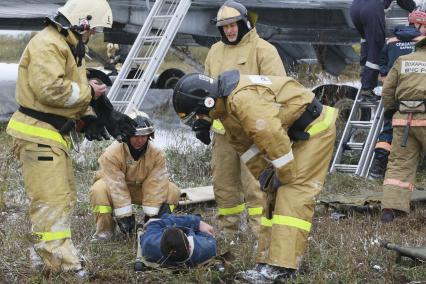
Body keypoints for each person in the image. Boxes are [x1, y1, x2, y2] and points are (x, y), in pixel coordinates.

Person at [173, 71, 337, 282]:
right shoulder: (225, 110)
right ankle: (266, 261)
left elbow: (271, 135)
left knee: (292, 193)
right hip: (290, 136)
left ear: (207, 101)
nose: (198, 122)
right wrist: (266, 176)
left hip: (314, 129)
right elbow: (247, 148)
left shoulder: (242, 100)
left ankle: (282, 268)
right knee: (270, 196)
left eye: (197, 116)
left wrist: (284, 174)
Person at [4, 0, 130, 276]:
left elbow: (63, 91)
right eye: (92, 30)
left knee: (55, 198)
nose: (92, 35)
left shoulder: (66, 46)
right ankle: (64, 264)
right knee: (53, 200)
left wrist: (86, 119)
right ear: (82, 21)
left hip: (48, 134)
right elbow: (50, 90)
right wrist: (90, 94)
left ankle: (43, 259)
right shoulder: (49, 44)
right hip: (38, 134)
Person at [200, 0, 286, 236]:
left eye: (233, 25)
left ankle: (263, 235)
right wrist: (203, 119)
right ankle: (229, 233)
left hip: (253, 134)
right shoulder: (215, 52)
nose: (229, 30)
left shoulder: (263, 50)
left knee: (256, 185)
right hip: (224, 133)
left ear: (245, 23)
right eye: (224, 27)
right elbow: (207, 90)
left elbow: (278, 89)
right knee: (224, 185)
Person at [89, 111, 181, 241]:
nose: (140, 140)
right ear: (126, 135)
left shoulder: (157, 154)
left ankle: (158, 227)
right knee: (98, 190)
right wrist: (124, 215)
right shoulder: (112, 153)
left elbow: (156, 184)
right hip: (114, 187)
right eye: (135, 136)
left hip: (141, 188)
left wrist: (152, 216)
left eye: (144, 136)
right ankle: (105, 231)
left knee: (172, 191)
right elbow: (115, 184)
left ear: (149, 135)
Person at [370, 11, 426, 179]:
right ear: (419, 25)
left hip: (394, 94)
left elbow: (382, 66)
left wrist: (390, 84)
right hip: (416, 94)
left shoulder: (391, 41)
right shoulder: (421, 44)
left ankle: (377, 169)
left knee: (388, 128)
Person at [380, 34, 426, 223]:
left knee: (399, 165)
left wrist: (391, 110)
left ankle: (391, 209)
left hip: (403, 120)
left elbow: (388, 90)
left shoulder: (403, 60)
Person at [350, 0, 417, 101]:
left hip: (354, 9)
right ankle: (367, 88)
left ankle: (365, 78)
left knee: (366, 42)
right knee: (376, 47)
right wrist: (414, 8)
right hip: (372, 10)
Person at [141, 214, 217, 267]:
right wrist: (197, 222)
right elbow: (208, 235)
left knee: (167, 217)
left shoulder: (149, 246)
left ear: (161, 246)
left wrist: (162, 220)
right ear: (190, 246)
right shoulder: (207, 248)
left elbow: (154, 225)